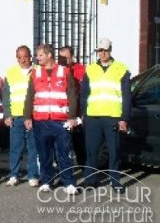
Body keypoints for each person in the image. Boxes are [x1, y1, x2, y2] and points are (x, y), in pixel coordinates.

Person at [24, 44, 78, 194]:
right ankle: (46, 180)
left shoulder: (65, 72)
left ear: (49, 55)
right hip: (41, 120)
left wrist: (72, 116)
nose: (37, 58)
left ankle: (68, 182)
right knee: (44, 153)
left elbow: (72, 95)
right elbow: (29, 96)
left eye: (40, 55)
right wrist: (27, 116)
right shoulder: (35, 73)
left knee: (64, 153)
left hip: (61, 121)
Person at [81, 38, 130, 193]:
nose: (102, 54)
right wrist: (84, 114)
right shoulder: (90, 69)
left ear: (110, 50)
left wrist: (124, 118)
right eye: (100, 51)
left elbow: (127, 96)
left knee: (114, 151)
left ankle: (115, 182)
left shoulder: (121, 69)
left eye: (105, 50)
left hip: (112, 117)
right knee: (91, 151)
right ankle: (91, 180)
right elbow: (84, 94)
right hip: (93, 116)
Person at [2, 46, 40, 187]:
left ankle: (32, 175)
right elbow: (6, 95)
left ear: (30, 56)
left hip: (33, 115)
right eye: (19, 57)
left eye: (25, 56)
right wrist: (7, 114)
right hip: (16, 115)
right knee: (15, 147)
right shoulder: (11, 72)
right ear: (16, 58)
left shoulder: (37, 71)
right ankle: (14, 175)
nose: (22, 60)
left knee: (33, 147)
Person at [58, 46, 86, 167]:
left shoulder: (82, 70)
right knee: (63, 147)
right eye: (60, 58)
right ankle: (64, 172)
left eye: (66, 57)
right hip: (61, 113)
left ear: (72, 57)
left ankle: (84, 170)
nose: (63, 60)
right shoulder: (57, 70)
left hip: (78, 114)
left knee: (80, 145)